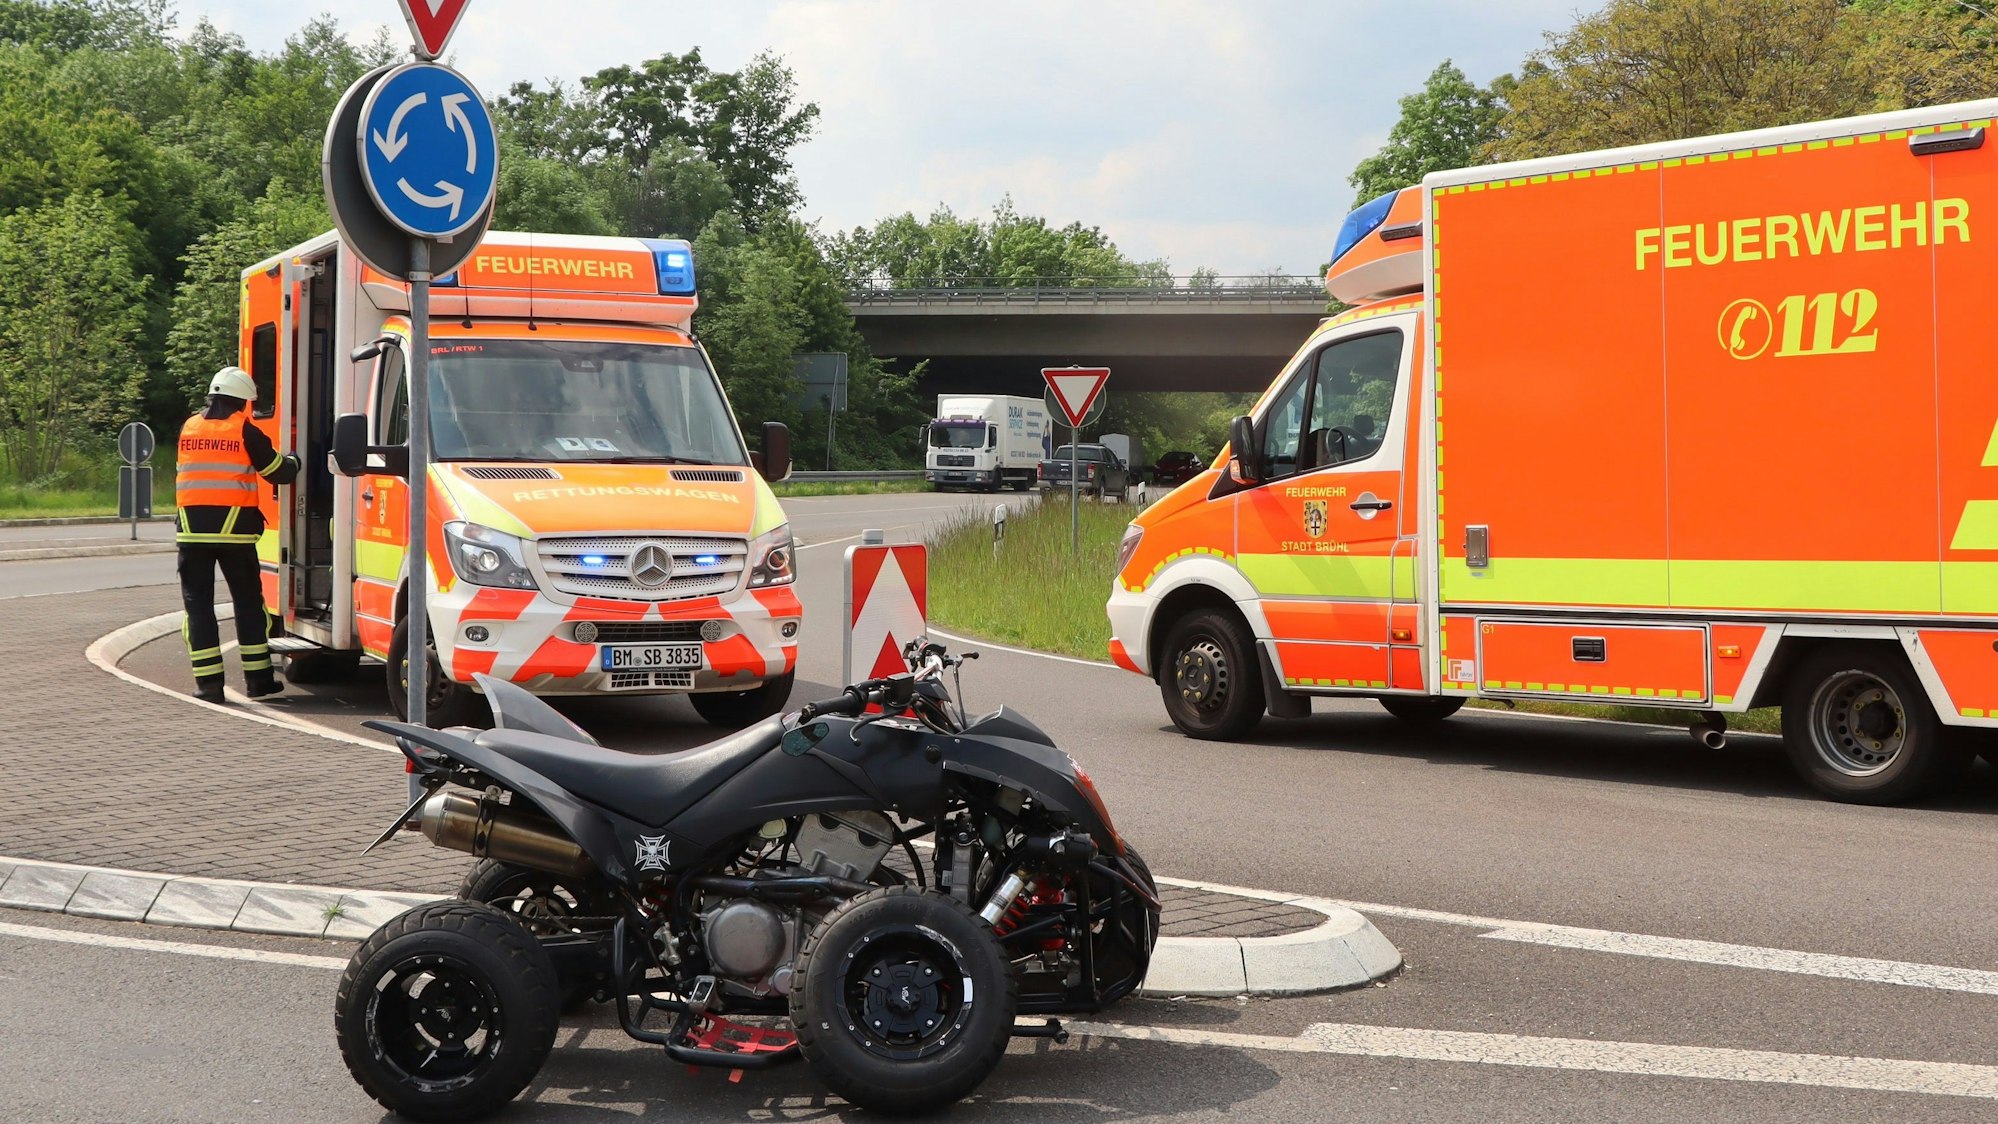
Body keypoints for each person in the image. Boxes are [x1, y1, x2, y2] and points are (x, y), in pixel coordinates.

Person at [176, 365, 299, 703]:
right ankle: (259, 681)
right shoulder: (243, 430)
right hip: (234, 535)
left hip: (190, 534)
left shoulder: (189, 427)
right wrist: (296, 462)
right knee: (248, 606)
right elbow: (277, 472)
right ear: (242, 401)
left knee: (198, 608)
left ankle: (208, 686)